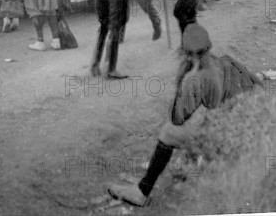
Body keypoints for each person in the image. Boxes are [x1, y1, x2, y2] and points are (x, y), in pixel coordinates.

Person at [107, 23, 262, 207]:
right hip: (254, 129)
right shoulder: (225, 61)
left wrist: (182, 78)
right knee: (206, 122)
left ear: (188, 53)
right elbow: (257, 84)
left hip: (231, 141)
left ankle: (142, 191)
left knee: (169, 132)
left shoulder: (198, 78)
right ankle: (191, 165)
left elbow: (177, 118)